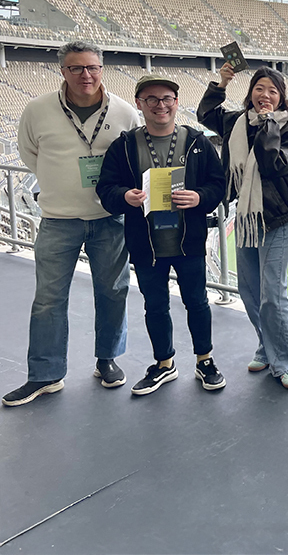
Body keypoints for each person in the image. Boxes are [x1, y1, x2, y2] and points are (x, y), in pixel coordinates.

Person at [3, 41, 140, 407]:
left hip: (109, 219)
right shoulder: (37, 110)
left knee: (113, 293)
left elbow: (133, 158)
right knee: (48, 300)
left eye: (93, 68)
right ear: (62, 71)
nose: (86, 75)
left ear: (102, 69)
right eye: (77, 68)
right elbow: (31, 154)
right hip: (58, 219)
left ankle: (107, 359)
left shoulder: (125, 112)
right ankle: (45, 375)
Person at [97, 75, 227, 396]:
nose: (160, 105)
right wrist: (125, 196)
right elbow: (106, 188)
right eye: (152, 99)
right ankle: (164, 363)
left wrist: (199, 198)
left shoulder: (197, 142)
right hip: (146, 244)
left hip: (189, 241)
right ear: (140, 104)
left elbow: (218, 185)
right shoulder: (125, 146)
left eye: (167, 98)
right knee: (154, 307)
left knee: (197, 303)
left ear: (176, 102)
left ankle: (205, 360)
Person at [198, 65, 288, 390]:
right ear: (251, 93)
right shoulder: (234, 122)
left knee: (272, 294)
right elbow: (205, 113)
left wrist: (270, 124)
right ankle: (266, 346)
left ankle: (285, 360)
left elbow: (272, 164)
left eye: (272, 91)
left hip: (277, 217)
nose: (265, 96)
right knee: (249, 292)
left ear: (281, 98)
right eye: (260, 89)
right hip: (245, 218)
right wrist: (223, 82)